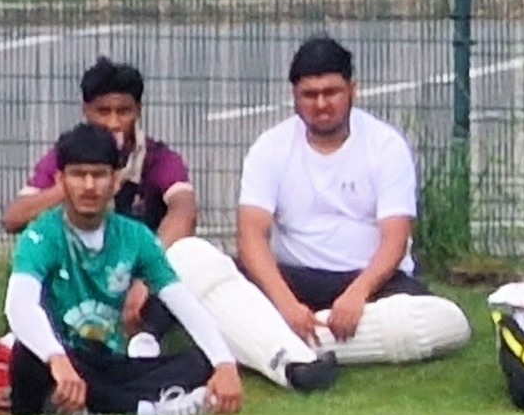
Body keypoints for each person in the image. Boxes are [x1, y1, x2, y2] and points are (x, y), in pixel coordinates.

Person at [167, 35, 471, 389]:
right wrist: (285, 304)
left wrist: (357, 295)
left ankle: (277, 346)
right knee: (189, 259)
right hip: (293, 278)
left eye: (332, 92)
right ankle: (295, 347)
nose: (322, 104)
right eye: (310, 95)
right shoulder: (270, 147)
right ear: (294, 96)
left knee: (443, 321)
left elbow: (395, 239)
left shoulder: (386, 146)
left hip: (373, 283)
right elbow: (251, 237)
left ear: (352, 90)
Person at [6, 122, 243, 415]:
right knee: (28, 356)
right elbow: (19, 306)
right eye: (79, 175)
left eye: (100, 175)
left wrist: (225, 364)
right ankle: (150, 410)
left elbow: (182, 301)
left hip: (108, 362)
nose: (90, 186)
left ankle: (91, 407)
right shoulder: (41, 235)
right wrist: (57, 359)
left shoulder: (136, 237)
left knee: (199, 362)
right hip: (61, 360)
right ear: (60, 180)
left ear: (116, 180)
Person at [8, 59, 198, 269]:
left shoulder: (158, 157)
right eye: (103, 112)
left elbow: (184, 213)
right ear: (86, 111)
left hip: (141, 268)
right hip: (78, 272)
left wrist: (149, 270)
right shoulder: (66, 155)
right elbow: (14, 219)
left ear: (138, 111)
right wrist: (70, 186)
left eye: (124, 111)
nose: (113, 123)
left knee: (194, 255)